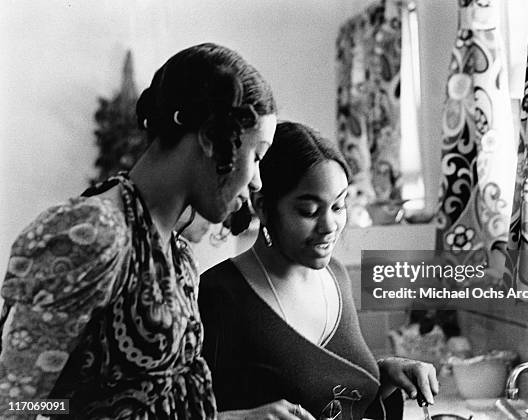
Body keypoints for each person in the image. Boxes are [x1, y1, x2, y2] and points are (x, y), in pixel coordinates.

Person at [0, 43, 277, 419]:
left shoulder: (173, 251)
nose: (258, 181)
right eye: (257, 156)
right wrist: (80, 413)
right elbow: (12, 404)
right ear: (210, 137)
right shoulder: (94, 232)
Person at [199, 122, 438, 420]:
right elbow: (180, 410)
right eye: (309, 211)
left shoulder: (336, 278)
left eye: (338, 207)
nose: (329, 227)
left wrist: (385, 376)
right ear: (262, 206)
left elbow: (336, 401)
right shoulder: (220, 294)